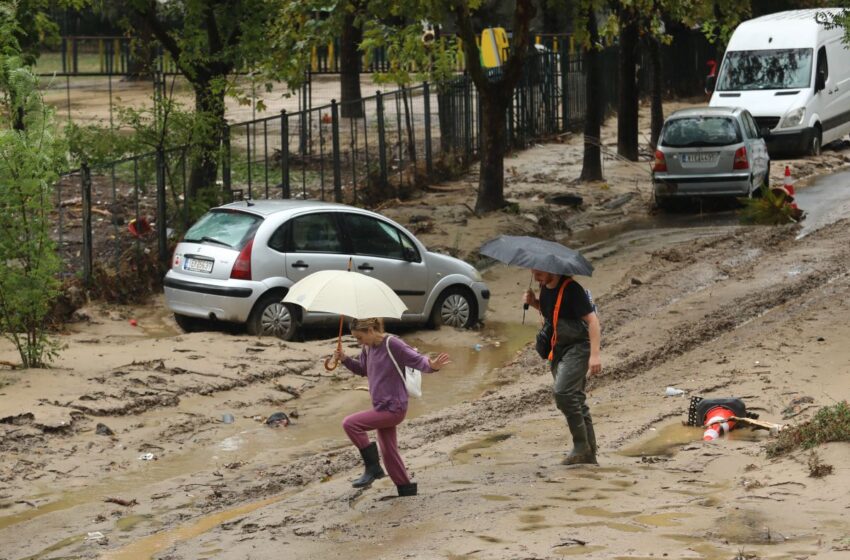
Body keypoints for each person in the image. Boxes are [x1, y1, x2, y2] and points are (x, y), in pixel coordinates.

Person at [334, 317, 451, 496]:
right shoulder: (367, 348)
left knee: (350, 423)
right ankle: (406, 489)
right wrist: (344, 359)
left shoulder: (392, 344)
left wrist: (432, 366)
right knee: (388, 451)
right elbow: (363, 369)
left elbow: (417, 360)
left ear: (371, 330)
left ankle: (373, 468)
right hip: (381, 407)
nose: (359, 342)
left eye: (359, 337)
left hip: (394, 408)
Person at [523, 270, 602, 465]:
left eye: (540, 272)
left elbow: (593, 321)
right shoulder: (545, 287)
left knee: (563, 393)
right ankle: (589, 455)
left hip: (578, 347)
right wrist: (534, 302)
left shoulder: (572, 290)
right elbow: (553, 313)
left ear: (553, 270)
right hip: (558, 349)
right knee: (576, 398)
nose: (536, 276)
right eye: (533, 272)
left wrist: (595, 355)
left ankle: (580, 445)